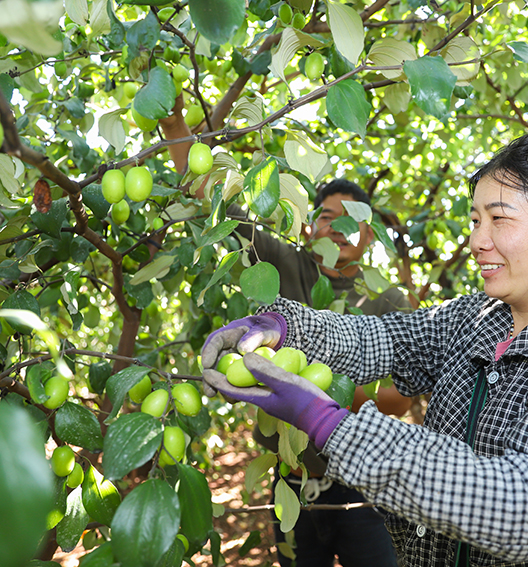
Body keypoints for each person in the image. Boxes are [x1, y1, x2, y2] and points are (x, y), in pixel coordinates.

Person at [200, 131, 528, 567]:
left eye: (499, 220)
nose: (478, 240)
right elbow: (384, 340)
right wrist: (287, 327)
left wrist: (333, 427)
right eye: (475, 219)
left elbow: (525, 511)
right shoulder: (475, 318)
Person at [160, 104, 412, 566]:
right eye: (322, 217)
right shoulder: (286, 265)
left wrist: (321, 399)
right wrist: (174, 124)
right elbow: (220, 207)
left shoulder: (388, 301)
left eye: (345, 219)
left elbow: (401, 400)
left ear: (367, 233)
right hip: (293, 477)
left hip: (364, 481)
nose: (331, 228)